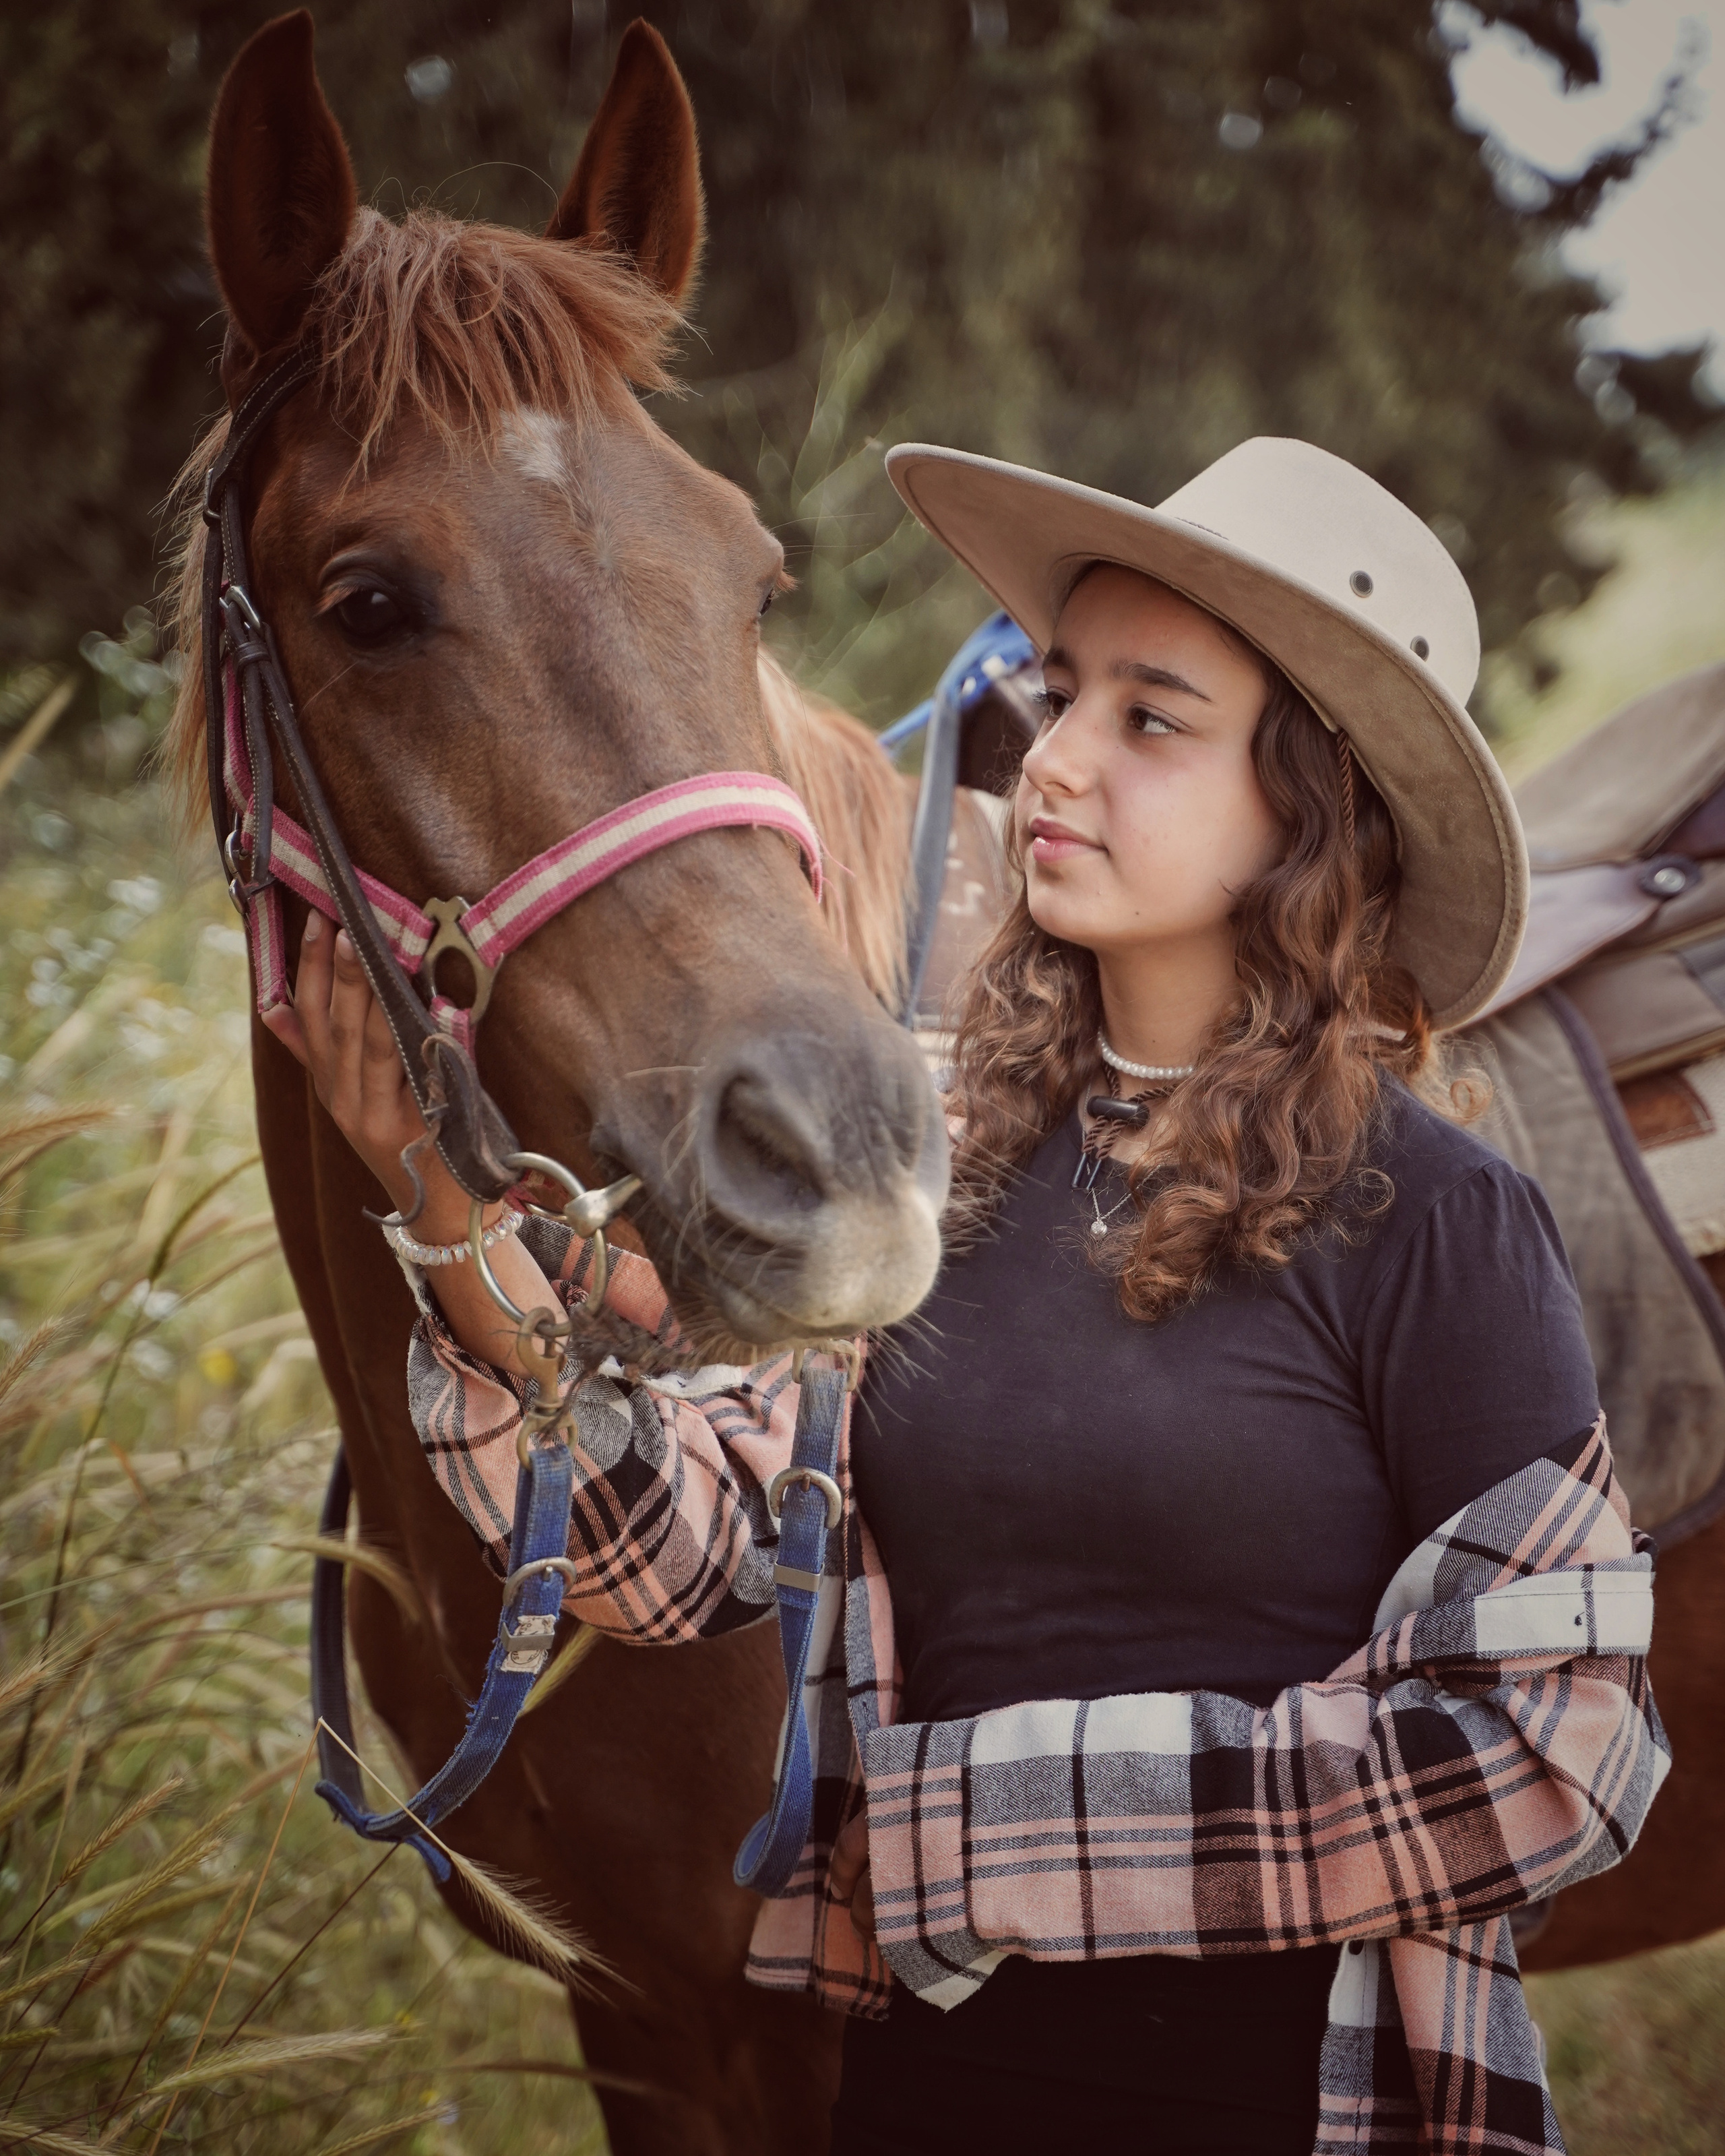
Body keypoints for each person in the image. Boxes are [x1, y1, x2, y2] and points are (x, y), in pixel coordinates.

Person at [270, 437, 1664, 2155]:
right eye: (1062, 694)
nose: (1054, 760)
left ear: (1305, 809)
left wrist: (971, 1837)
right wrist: (454, 1227)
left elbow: (1550, 1754)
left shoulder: (1440, 1222)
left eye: (1150, 721)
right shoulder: (949, 1177)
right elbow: (685, 1559)